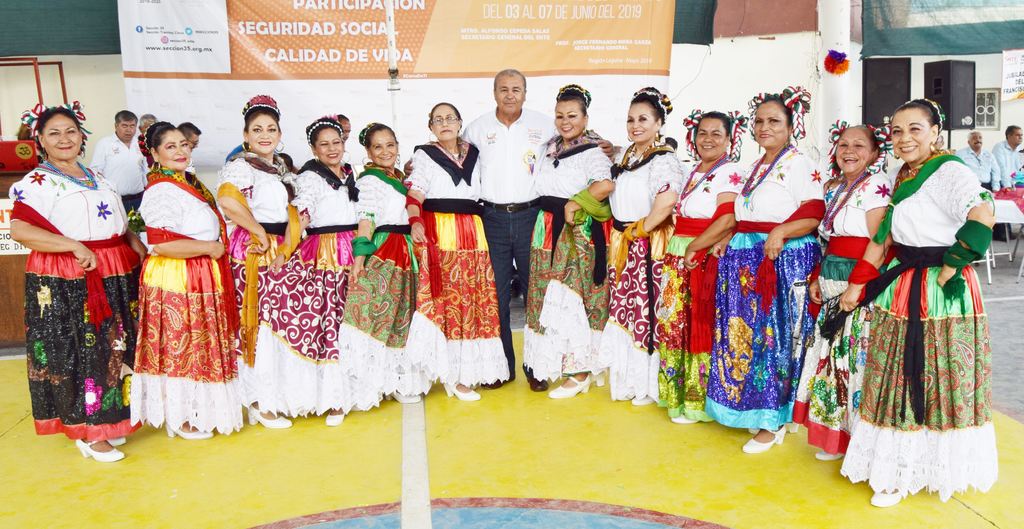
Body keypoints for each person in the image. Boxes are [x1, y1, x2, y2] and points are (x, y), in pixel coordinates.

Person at [836, 99, 997, 508]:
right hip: (904, 281)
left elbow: (983, 212)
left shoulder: (949, 171)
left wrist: (954, 262)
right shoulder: (902, 174)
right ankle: (897, 467)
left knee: (933, 374)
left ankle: (923, 470)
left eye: (915, 129)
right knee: (895, 374)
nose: (904, 138)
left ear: (935, 132)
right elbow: (885, 237)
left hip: (939, 290)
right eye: (897, 131)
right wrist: (858, 284)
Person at [10, 101, 147, 462]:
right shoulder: (36, 182)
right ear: (40, 140)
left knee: (114, 346)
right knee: (82, 350)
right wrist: (72, 245)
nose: (64, 139)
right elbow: (20, 229)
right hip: (70, 275)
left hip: (112, 268)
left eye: (70, 131)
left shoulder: (97, 176)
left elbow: (115, 222)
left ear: (81, 135)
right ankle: (88, 430)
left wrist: (133, 241)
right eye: (54, 133)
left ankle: (110, 419)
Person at [705, 86, 824, 453]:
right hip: (745, 258)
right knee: (745, 335)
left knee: (774, 338)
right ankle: (750, 406)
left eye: (774, 121)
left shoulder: (799, 163)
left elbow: (814, 211)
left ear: (790, 126)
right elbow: (747, 212)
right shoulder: (755, 166)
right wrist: (731, 236)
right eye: (759, 121)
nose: (764, 127)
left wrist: (781, 232)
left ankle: (774, 419)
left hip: (779, 258)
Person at [131, 122, 241, 439]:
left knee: (198, 343)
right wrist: (209, 247)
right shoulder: (161, 189)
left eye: (183, 144)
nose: (180, 151)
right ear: (155, 154)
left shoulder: (185, 182)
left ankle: (196, 409)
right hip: (177, 274)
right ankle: (178, 417)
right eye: (170, 146)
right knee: (179, 344)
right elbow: (162, 243)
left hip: (198, 270)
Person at [792, 121, 892, 460]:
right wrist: (817, 277)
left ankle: (860, 440)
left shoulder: (876, 185)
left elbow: (881, 242)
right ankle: (836, 435)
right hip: (833, 276)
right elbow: (829, 240)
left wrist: (857, 285)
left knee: (854, 359)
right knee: (833, 360)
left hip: (858, 281)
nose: (849, 151)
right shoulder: (835, 188)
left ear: (875, 153)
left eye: (859, 145)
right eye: (844, 145)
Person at [257, 116, 363, 424]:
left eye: (336, 142)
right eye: (324, 144)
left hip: (353, 249)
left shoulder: (350, 172)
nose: (332, 149)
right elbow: (301, 217)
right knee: (329, 322)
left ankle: (353, 389)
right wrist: (284, 252)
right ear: (314, 149)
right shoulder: (310, 177)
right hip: (325, 251)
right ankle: (332, 399)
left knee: (351, 321)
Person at [405, 103, 508, 401]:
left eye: (450, 118)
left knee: (473, 296)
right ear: (431, 127)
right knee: (448, 298)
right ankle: (451, 374)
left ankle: (469, 369)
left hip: (473, 231)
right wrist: (415, 221)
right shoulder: (425, 155)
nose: (445, 123)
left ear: (460, 122)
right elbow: (415, 193)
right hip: (442, 230)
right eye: (438, 119)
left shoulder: (475, 151)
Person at [462, 69, 556, 392]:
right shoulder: (476, 129)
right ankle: (501, 368)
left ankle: (537, 367)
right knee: (496, 295)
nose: (510, 95)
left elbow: (575, 138)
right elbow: (453, 157)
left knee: (536, 293)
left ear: (525, 93)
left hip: (532, 215)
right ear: (494, 93)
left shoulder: (544, 125)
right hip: (492, 219)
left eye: (516, 89)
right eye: (503, 89)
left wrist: (603, 145)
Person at [522, 84, 614, 399]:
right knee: (547, 295)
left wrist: (575, 203)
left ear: (585, 118)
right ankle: (553, 362)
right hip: (546, 227)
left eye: (572, 115)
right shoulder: (550, 148)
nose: (565, 121)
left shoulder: (592, 151)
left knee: (573, 295)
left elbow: (605, 185)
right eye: (560, 115)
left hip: (574, 231)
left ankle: (580, 372)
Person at [216, 95, 302, 429]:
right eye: (257, 129)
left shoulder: (281, 168)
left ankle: (274, 394)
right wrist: (257, 232)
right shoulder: (240, 167)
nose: (265, 135)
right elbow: (227, 201)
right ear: (246, 135)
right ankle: (257, 401)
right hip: (255, 248)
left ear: (280, 133)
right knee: (258, 323)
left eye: (271, 129)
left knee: (279, 323)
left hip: (280, 248)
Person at [656, 109, 746, 423]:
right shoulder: (694, 170)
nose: (707, 139)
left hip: (701, 254)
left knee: (699, 323)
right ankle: (676, 396)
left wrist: (696, 246)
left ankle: (697, 403)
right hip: (679, 250)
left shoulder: (730, 171)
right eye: (702, 133)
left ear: (729, 139)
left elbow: (727, 218)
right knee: (675, 324)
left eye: (716, 134)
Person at [598, 87, 683, 406]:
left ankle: (650, 385)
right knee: (627, 310)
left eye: (643, 119)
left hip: (648, 242)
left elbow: (666, 203)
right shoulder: (627, 155)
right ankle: (631, 380)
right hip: (624, 240)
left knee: (649, 310)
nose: (636, 125)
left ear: (659, 123)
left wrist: (639, 232)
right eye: (631, 119)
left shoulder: (663, 160)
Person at [337, 123, 428, 404]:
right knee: (375, 316)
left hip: (405, 250)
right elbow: (366, 219)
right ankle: (367, 387)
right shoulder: (370, 181)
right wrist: (359, 259)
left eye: (390, 145)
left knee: (401, 317)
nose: (386, 151)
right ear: (368, 152)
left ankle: (395, 381)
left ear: (398, 146)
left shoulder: (398, 178)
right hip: (385, 250)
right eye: (378, 147)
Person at [89, 110, 147, 214]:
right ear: (116, 126)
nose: (129, 130)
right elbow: (95, 172)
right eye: (124, 126)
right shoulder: (105, 144)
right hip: (115, 200)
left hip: (139, 199)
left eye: (132, 126)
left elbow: (145, 170)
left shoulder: (140, 143)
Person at [992, 125, 1022, 190]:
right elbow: (1001, 169)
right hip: (1002, 185)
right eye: (1017, 135)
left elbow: (1020, 170)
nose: (1021, 137)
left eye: (1021, 135)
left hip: (1017, 184)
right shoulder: (999, 147)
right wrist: (1008, 186)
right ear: (1009, 136)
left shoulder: (1020, 149)